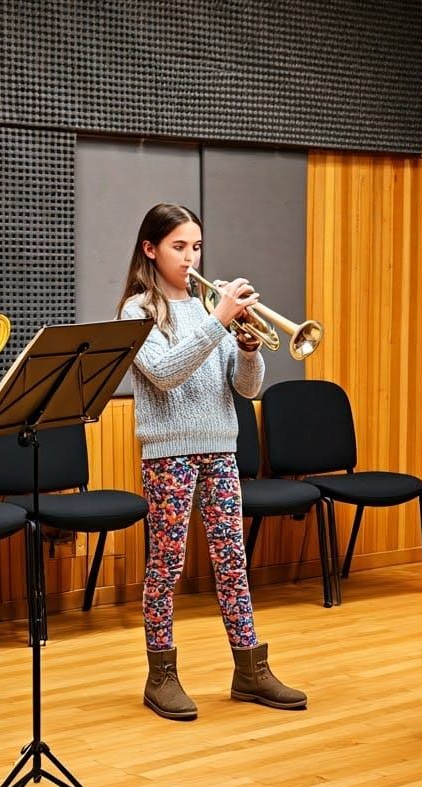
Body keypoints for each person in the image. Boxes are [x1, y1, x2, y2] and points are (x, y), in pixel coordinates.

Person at [116, 202, 307, 721]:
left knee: (232, 563)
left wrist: (247, 349)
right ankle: (161, 674)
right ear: (150, 250)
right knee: (167, 566)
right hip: (168, 453)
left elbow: (246, 389)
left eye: (196, 246)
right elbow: (164, 373)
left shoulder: (206, 308)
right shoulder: (137, 312)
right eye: (179, 246)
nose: (190, 256)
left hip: (222, 446)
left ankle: (250, 669)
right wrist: (218, 321)